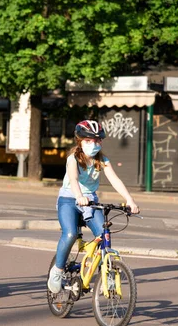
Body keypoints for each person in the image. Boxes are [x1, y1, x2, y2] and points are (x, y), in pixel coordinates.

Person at [47, 120, 140, 294]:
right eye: (89, 140)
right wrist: (79, 196)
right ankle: (58, 270)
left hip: (91, 201)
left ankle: (106, 273)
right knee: (70, 234)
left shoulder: (102, 159)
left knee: (103, 236)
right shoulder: (73, 158)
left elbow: (114, 179)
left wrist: (129, 200)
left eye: (97, 141)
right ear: (79, 141)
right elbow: (73, 179)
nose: (94, 144)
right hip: (69, 199)